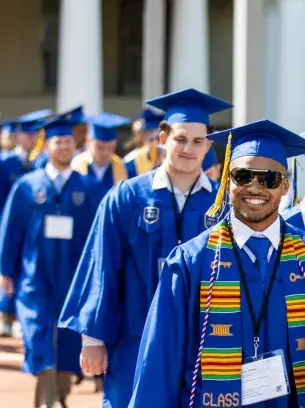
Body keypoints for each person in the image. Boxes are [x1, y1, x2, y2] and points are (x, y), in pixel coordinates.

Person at [58, 88, 233, 408]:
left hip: (204, 343)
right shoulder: (126, 198)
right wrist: (93, 339)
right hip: (134, 339)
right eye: (180, 139)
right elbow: (103, 266)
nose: (188, 149)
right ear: (162, 138)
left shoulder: (222, 207)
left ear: (209, 144)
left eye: (198, 141)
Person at [128, 119, 305, 408]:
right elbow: (160, 362)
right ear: (227, 181)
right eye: (243, 176)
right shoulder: (190, 262)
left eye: (269, 178)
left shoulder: (302, 256)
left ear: (284, 186)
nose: (255, 188)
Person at [0, 115, 99, 408]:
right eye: (58, 142)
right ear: (47, 146)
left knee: (68, 339)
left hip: (73, 276)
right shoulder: (28, 186)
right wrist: (6, 270)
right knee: (39, 334)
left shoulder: (89, 187)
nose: (64, 147)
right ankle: (46, 400)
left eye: (69, 142)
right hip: (35, 275)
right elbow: (11, 230)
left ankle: (59, 394)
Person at [0, 109, 52, 337]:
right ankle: (6, 314)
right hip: (8, 222)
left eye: (35, 135)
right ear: (20, 136)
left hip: (34, 228)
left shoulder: (42, 162)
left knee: (29, 269)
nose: (31, 140)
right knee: (8, 266)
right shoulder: (6, 163)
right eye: (28, 135)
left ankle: (21, 316)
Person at [71, 112, 131, 205]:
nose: (105, 152)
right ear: (88, 141)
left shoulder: (120, 165)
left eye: (111, 148)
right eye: (100, 147)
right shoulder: (76, 164)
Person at [124, 108, 165, 178]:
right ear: (143, 136)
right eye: (151, 140)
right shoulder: (130, 161)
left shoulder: (169, 160)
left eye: (158, 139)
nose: (155, 144)